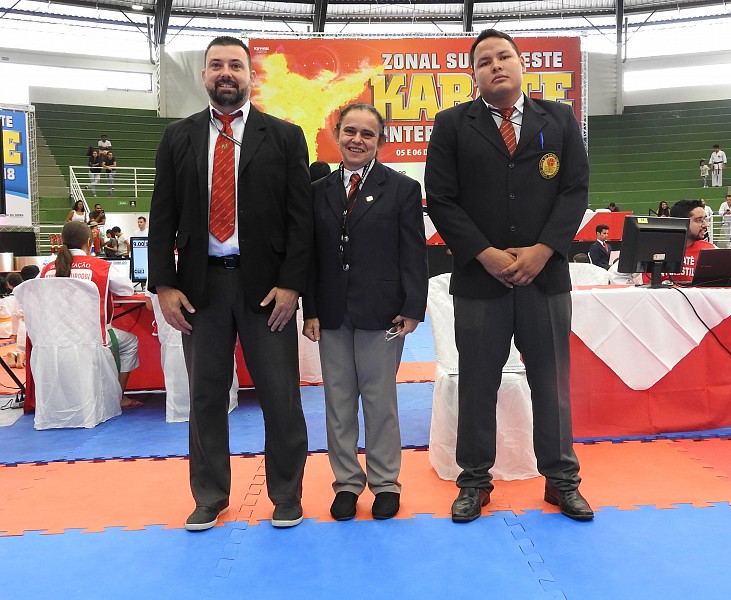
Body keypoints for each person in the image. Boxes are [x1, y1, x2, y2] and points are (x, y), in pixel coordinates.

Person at [425, 29, 593, 523]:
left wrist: (544, 250)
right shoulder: (452, 124)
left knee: (551, 383)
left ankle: (562, 481)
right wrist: (485, 254)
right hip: (481, 280)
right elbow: (442, 199)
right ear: (474, 75)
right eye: (484, 61)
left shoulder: (559, 118)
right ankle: (474, 481)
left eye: (504, 57)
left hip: (546, 278)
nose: (495, 66)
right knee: (477, 384)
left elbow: (575, 190)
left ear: (521, 65)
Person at [148, 36, 313, 532]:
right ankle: (210, 495)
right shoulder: (177, 137)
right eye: (216, 64)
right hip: (200, 289)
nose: (226, 72)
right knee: (204, 397)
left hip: (267, 290)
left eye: (235, 65)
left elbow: (301, 220)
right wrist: (164, 285)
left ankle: (286, 494)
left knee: (281, 395)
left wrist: (292, 285)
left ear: (250, 76)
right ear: (204, 75)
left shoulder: (284, 137)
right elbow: (162, 216)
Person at [301, 103, 428, 522]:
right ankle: (346, 484)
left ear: (380, 141)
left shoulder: (402, 189)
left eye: (367, 134)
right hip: (332, 313)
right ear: (336, 135)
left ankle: (386, 483)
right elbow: (310, 256)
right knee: (338, 403)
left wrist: (413, 307)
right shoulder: (317, 190)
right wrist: (310, 309)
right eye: (350, 131)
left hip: (383, 313)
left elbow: (413, 253)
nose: (357, 140)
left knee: (380, 403)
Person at [40, 221, 143, 409]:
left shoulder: (47, 269)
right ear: (88, 242)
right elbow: (127, 289)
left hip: (54, 339)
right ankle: (117, 396)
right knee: (130, 342)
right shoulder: (101, 267)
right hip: (94, 338)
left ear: (61, 241)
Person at [645, 199, 716, 284]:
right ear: (681, 222)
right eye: (699, 220)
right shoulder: (650, 251)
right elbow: (632, 282)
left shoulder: (711, 251)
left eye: (705, 219)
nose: (705, 225)